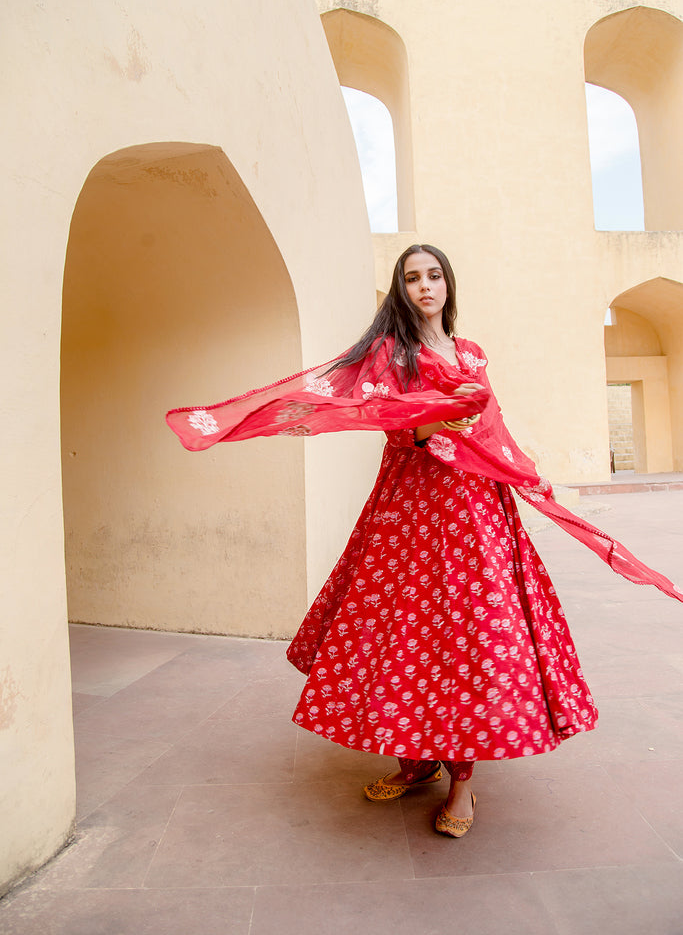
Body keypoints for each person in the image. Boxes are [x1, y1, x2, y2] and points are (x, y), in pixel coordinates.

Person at [166, 244, 681, 840]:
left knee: (469, 636)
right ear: (400, 290)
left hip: (473, 512)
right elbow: (383, 418)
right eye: (412, 278)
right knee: (406, 629)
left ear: (448, 284)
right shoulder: (391, 353)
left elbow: (492, 426)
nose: (424, 287)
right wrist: (434, 423)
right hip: (411, 512)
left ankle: (463, 782)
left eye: (434, 276)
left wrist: (522, 469)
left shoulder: (471, 353)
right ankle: (416, 760)